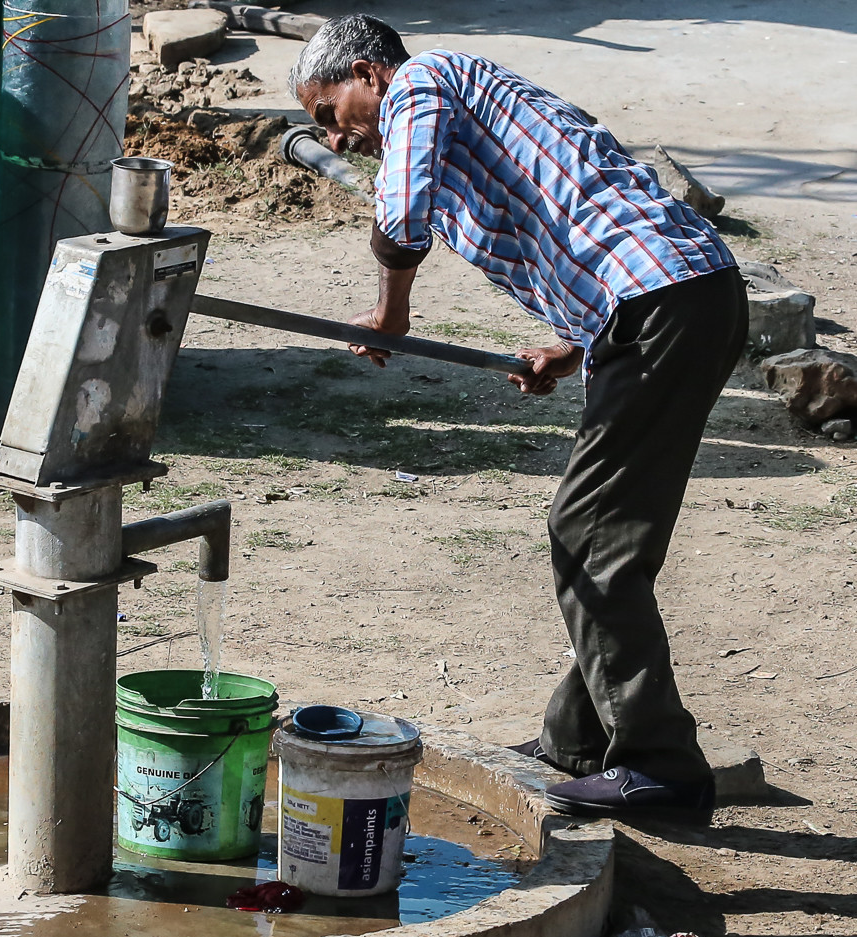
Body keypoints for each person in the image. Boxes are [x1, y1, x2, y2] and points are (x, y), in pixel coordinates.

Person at [289, 15, 746, 824]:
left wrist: (391, 310)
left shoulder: (423, 83)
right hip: (662, 300)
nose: (336, 136)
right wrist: (572, 346)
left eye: (329, 113)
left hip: (665, 302)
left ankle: (660, 767)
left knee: (591, 535)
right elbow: (576, 206)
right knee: (608, 535)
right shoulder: (468, 100)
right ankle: (581, 738)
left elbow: (402, 213)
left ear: (368, 72)